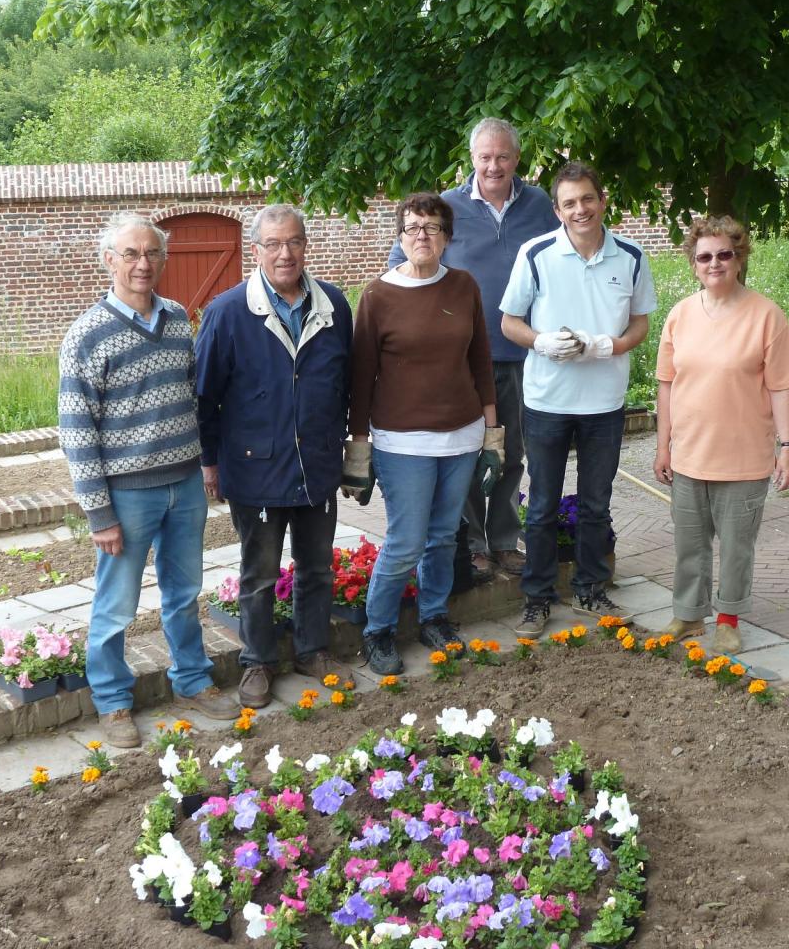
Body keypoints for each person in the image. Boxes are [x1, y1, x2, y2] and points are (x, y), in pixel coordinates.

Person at [59, 212, 235, 749]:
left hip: (183, 486)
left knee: (184, 593)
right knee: (115, 605)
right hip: (126, 494)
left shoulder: (179, 318)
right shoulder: (87, 334)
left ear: (163, 259)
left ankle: (192, 680)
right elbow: (75, 428)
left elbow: (192, 398)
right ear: (108, 260)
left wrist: (207, 462)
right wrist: (99, 513)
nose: (142, 264)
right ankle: (112, 703)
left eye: (151, 254)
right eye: (130, 254)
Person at [195, 204, 355, 708]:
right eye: (273, 244)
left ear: (305, 245)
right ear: (256, 250)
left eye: (294, 242)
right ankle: (257, 662)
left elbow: (343, 384)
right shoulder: (227, 312)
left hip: (317, 465)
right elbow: (205, 397)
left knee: (317, 568)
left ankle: (313, 651)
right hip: (255, 467)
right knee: (259, 573)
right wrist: (209, 462)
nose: (285, 254)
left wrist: (348, 450)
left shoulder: (334, 305)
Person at [389, 118, 559, 579]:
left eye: (502, 156)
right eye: (485, 157)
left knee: (512, 453)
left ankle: (504, 540)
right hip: (460, 358)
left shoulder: (540, 204)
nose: (493, 165)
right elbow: (402, 264)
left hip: (523, 352)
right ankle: (473, 544)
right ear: (472, 159)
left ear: (516, 159)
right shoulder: (448, 207)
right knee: (465, 453)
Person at [345, 192, 500, 674]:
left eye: (432, 228)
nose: (422, 236)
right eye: (412, 227)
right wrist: (358, 446)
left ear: (447, 238)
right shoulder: (377, 295)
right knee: (406, 541)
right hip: (401, 442)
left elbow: (480, 361)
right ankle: (378, 631)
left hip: (461, 436)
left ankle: (434, 616)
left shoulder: (464, 286)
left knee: (441, 538)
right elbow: (361, 376)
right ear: (400, 235)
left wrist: (492, 434)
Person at [500, 162, 656, 638]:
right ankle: (538, 598)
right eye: (569, 203)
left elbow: (641, 323)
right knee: (543, 503)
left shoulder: (629, 255)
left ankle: (591, 589)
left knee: (596, 503)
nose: (580, 209)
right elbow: (509, 321)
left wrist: (611, 346)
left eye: (587, 199)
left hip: (604, 401)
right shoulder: (536, 253)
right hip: (548, 398)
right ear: (557, 210)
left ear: (602, 200)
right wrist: (541, 341)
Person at [653, 215, 789, 653]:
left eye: (724, 254)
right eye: (704, 256)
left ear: (739, 258)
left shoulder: (767, 316)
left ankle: (729, 617)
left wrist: (787, 448)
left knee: (737, 546)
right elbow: (666, 384)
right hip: (689, 456)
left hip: (743, 458)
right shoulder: (680, 315)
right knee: (689, 543)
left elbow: (782, 387)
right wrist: (663, 446)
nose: (714, 263)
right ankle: (687, 615)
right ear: (693, 264)